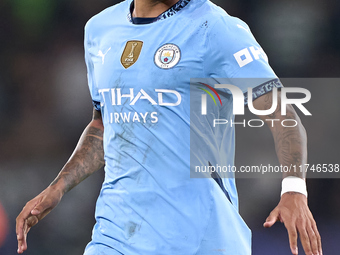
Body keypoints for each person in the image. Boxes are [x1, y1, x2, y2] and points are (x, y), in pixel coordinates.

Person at [16, 0, 322, 254]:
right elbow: (105, 124)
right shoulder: (100, 30)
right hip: (117, 233)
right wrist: (59, 186)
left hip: (201, 236)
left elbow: (282, 113)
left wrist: (294, 188)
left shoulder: (216, 28)